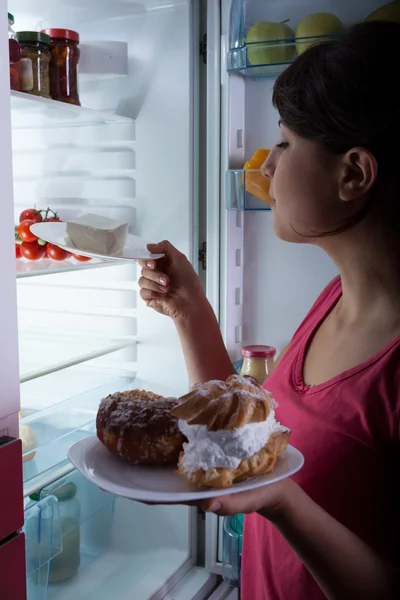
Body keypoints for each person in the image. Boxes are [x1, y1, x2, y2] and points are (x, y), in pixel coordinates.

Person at [138, 20, 400, 600]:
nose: (268, 167)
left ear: (353, 172)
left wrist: (282, 501)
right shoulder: (336, 300)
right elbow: (247, 438)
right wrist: (192, 311)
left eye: (284, 142)